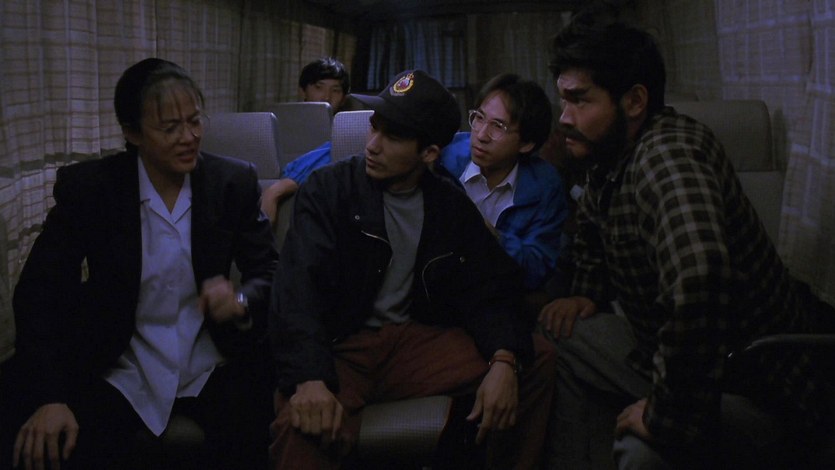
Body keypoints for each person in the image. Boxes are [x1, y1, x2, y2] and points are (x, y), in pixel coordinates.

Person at [540, 17, 834, 470]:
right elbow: (596, 231)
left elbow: (700, 278)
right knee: (556, 329)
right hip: (667, 354)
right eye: (564, 99)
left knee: (641, 454)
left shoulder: (667, 156)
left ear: (634, 101)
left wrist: (666, 417)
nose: (564, 117)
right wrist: (587, 292)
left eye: (580, 100)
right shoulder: (610, 154)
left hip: (753, 388)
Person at [268, 69, 556, 469]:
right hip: (343, 347)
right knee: (303, 426)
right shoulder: (329, 189)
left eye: (393, 137)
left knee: (536, 359)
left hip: (412, 344)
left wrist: (504, 360)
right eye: (375, 127)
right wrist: (309, 378)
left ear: (429, 153)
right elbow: (296, 289)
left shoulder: (449, 204)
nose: (373, 144)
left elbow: (490, 288)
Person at [0, 58, 278, 470]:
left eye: (195, 121)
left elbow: (268, 271)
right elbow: (40, 292)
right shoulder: (92, 189)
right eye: (170, 128)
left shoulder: (231, 182)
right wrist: (51, 396)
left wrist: (239, 299)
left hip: (211, 357)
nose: (189, 137)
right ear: (132, 133)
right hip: (121, 359)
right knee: (41, 436)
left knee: (252, 439)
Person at [439, 73, 569, 291]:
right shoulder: (444, 157)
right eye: (479, 118)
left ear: (526, 144)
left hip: (499, 292)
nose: (481, 135)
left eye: (498, 126)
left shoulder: (545, 185)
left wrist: (493, 237)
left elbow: (538, 268)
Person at [261, 57, 351, 223]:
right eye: (318, 88)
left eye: (335, 90)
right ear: (303, 91)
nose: (326, 97)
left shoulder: (347, 133)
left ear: (344, 98)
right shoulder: (276, 123)